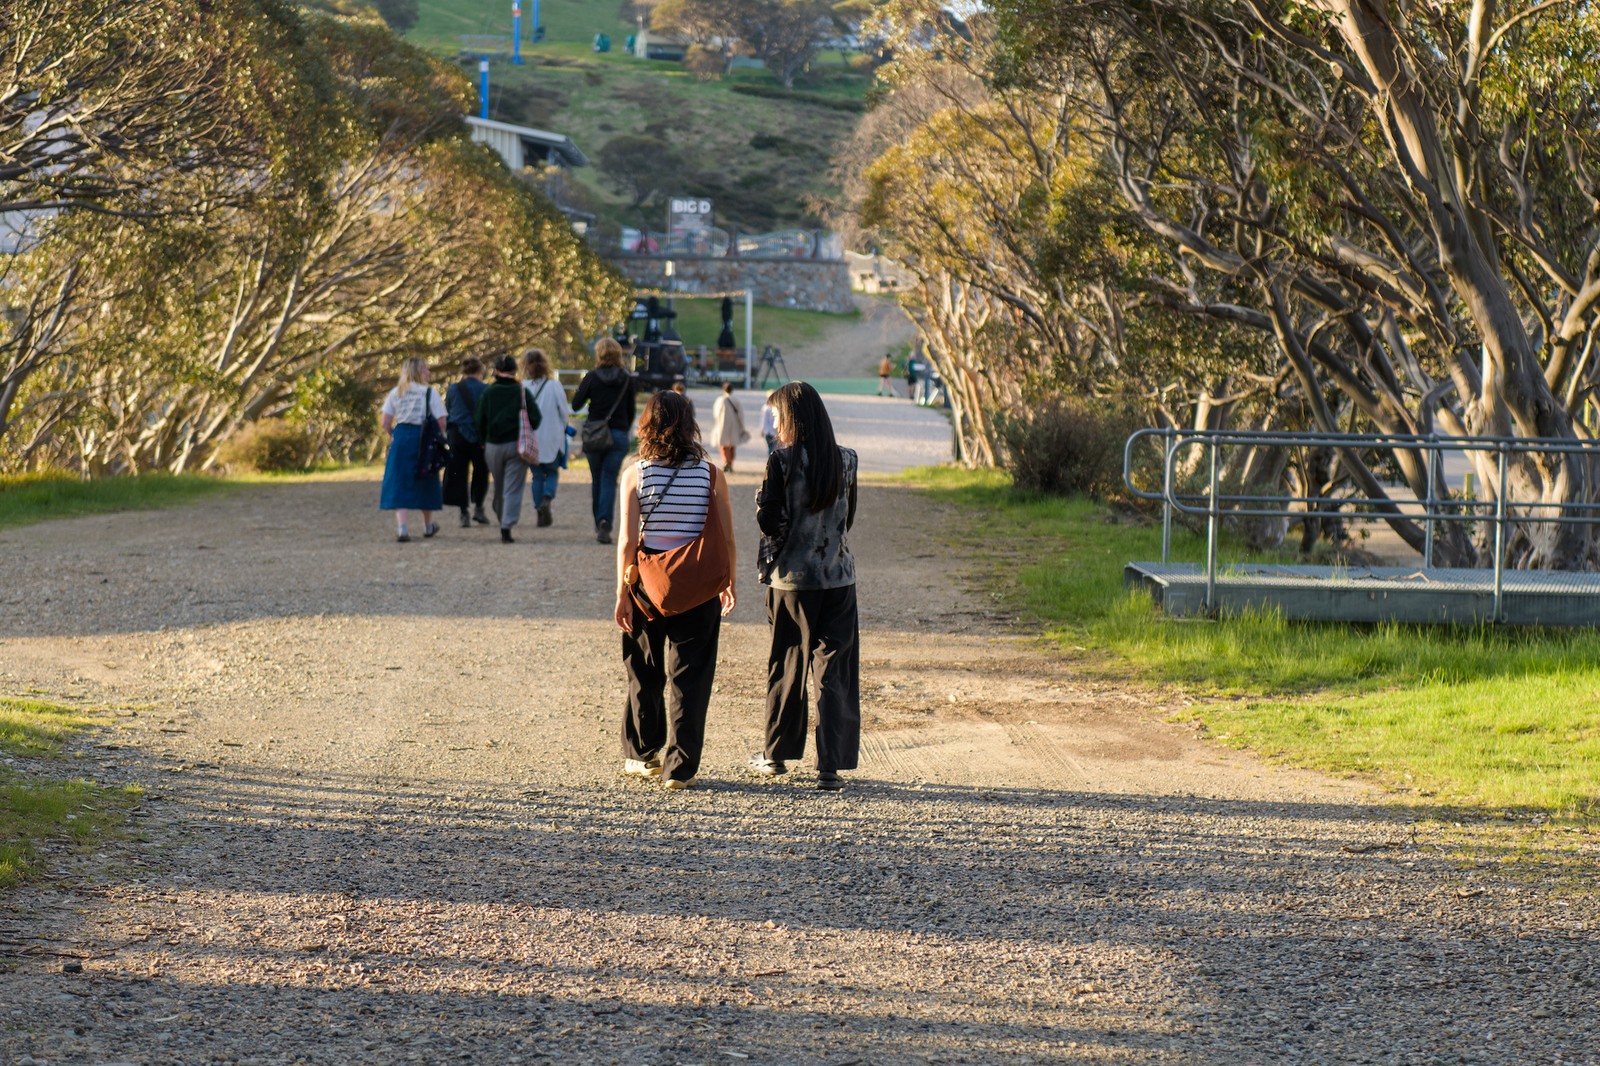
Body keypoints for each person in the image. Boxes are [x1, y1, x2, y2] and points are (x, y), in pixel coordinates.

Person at [613, 390, 737, 790]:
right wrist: (729, 581)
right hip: (699, 588)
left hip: (649, 587)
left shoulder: (636, 473)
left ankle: (644, 754)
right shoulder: (711, 473)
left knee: (644, 671)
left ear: (647, 424)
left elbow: (627, 543)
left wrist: (621, 593)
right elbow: (727, 537)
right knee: (692, 677)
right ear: (689, 424)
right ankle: (680, 768)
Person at [749, 381, 860, 791]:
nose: (775, 425)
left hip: (791, 582)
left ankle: (775, 755)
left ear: (792, 418)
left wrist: (763, 503)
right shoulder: (847, 460)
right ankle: (830, 766)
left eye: (778, 417)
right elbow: (847, 520)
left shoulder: (780, 462)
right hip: (838, 577)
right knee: (834, 670)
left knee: (787, 665)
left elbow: (771, 523)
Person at [571, 337, 637, 544]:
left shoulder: (591, 377)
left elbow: (575, 404)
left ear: (599, 354)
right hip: (617, 433)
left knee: (597, 478)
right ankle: (605, 523)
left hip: (595, 433)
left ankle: (598, 520)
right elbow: (631, 410)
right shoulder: (627, 378)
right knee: (609, 478)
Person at [378, 357, 447, 543]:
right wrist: (439, 436)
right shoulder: (430, 393)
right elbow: (441, 420)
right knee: (426, 476)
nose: (429, 372)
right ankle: (427, 525)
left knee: (399, 480)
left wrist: (393, 434)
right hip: (423, 438)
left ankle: (402, 528)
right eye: (426, 369)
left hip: (401, 436)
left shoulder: (396, 392)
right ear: (418, 371)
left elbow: (385, 421)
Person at [474, 353, 531, 544]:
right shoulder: (521, 391)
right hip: (517, 445)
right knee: (513, 487)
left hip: (492, 445)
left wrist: (483, 440)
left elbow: (479, 419)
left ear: (496, 371)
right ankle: (507, 525)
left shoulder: (489, 392)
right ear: (514, 371)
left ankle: (500, 513)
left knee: (499, 484)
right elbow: (536, 418)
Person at [522, 348, 573, 528]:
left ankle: (538, 511)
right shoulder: (554, 386)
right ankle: (547, 498)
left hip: (531, 439)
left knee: (536, 476)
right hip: (552, 436)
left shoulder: (522, 386)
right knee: (551, 472)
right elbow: (564, 412)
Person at [443, 357, 490, 528]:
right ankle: (479, 507)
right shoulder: (486, 389)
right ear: (480, 371)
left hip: (458, 435)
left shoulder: (453, 389)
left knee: (459, 473)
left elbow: (448, 409)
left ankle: (463, 511)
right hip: (479, 436)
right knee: (481, 472)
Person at [710, 381, 747, 473]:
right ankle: (730, 463)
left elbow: (716, 414)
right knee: (732, 446)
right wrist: (741, 426)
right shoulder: (736, 400)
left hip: (722, 425)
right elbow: (741, 415)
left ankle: (726, 461)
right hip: (734, 426)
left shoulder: (720, 400)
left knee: (723, 445)